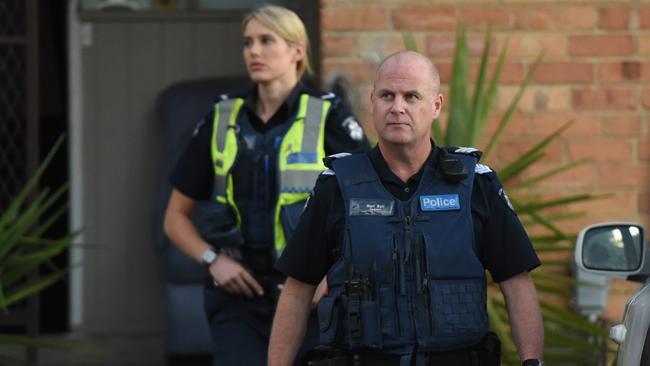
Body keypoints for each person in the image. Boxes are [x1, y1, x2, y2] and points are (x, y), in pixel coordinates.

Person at [268, 51, 544, 366]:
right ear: (372, 102)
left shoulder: (475, 184)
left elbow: (516, 281)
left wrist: (532, 361)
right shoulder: (337, 186)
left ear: (436, 106)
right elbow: (297, 291)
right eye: (387, 95)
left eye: (411, 97)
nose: (398, 107)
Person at [163, 5, 370, 366]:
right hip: (237, 298)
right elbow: (175, 218)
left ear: (297, 51)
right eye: (247, 43)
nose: (253, 52)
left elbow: (369, 209)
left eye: (265, 40)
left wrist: (331, 278)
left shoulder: (329, 116)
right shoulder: (221, 118)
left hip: (310, 296)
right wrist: (213, 261)